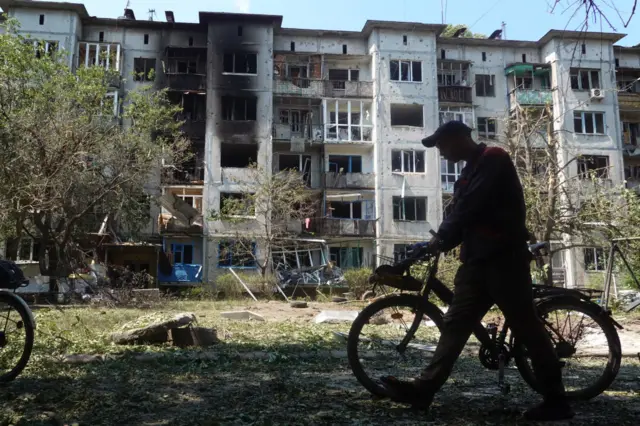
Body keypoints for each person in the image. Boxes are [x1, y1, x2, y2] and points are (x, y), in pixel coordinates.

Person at [380, 121, 574, 421]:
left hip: (504, 262)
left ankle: (556, 400)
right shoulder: (468, 172)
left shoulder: (494, 159)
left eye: (442, 145)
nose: (441, 152)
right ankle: (424, 389)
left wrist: (441, 238)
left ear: (459, 139)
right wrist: (431, 245)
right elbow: (461, 220)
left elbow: (469, 208)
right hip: (476, 263)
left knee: (527, 329)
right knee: (455, 325)